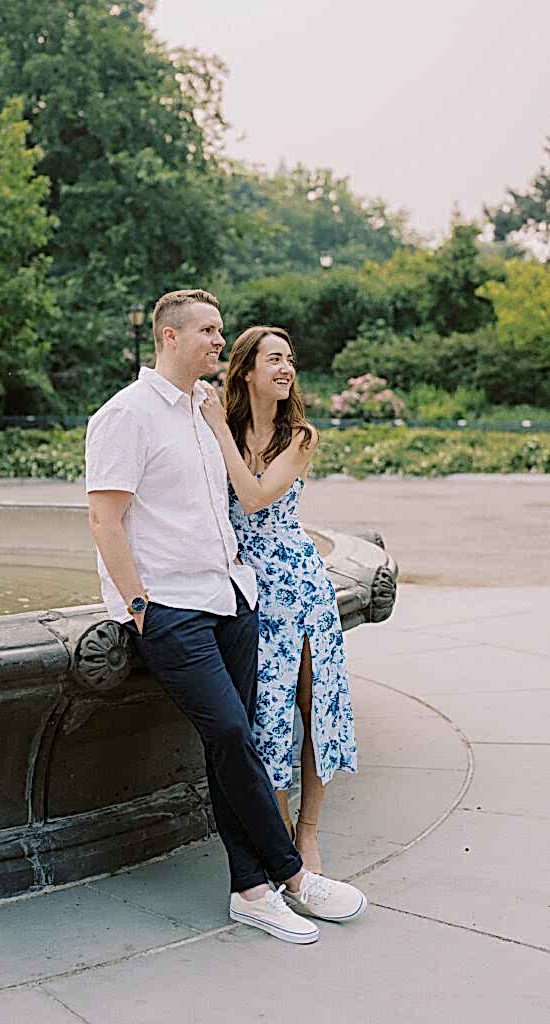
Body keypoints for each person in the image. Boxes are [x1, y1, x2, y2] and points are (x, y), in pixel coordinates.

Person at [86, 290, 365, 944]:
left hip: (231, 600)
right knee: (236, 735)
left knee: (227, 746)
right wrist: (137, 610)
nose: (218, 340)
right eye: (208, 331)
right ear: (168, 337)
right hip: (172, 612)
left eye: (219, 332)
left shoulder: (199, 411)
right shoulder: (126, 415)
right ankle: (293, 875)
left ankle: (249, 891)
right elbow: (105, 518)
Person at [198, 325, 359, 878]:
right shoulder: (221, 431)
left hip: (301, 582)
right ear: (246, 371)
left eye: (290, 359)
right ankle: (282, 839)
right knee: (267, 713)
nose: (286, 368)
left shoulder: (301, 436)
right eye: (274, 359)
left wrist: (219, 430)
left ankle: (308, 831)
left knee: (315, 706)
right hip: (247, 586)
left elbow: (257, 495)